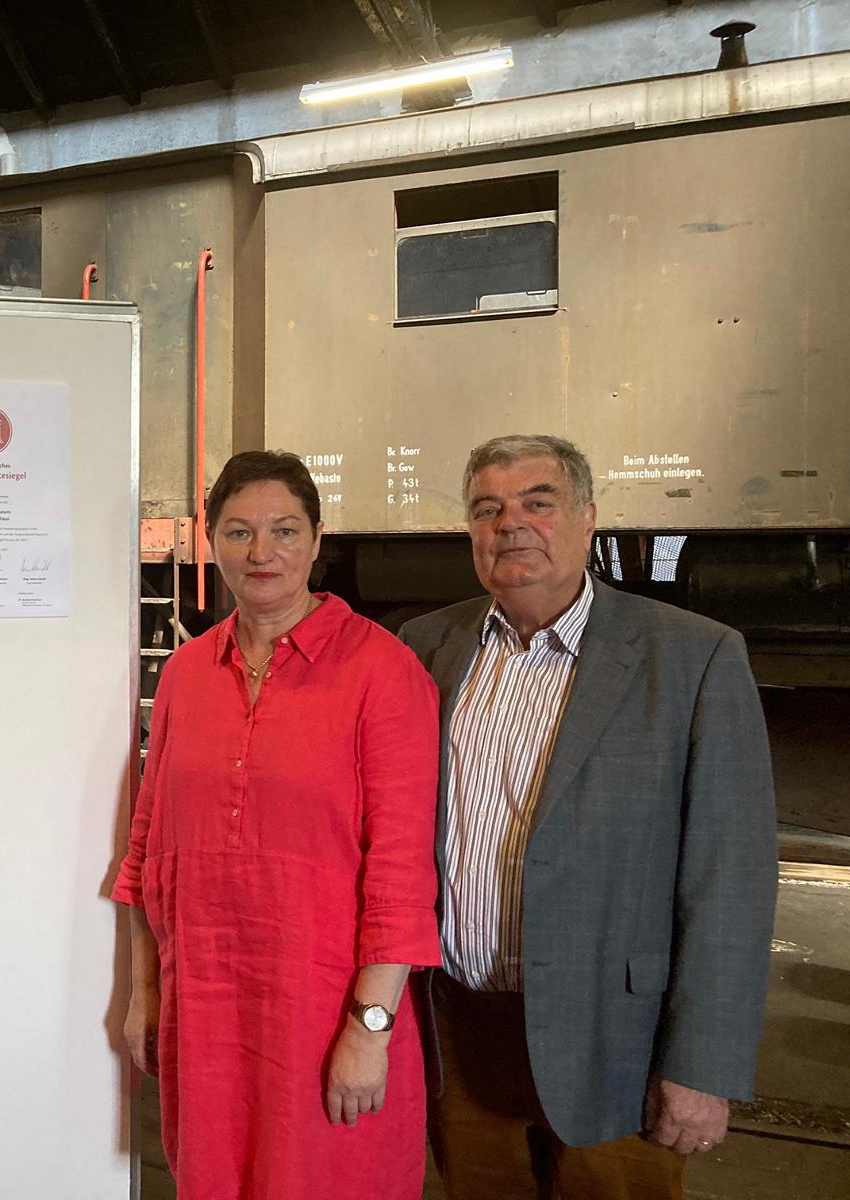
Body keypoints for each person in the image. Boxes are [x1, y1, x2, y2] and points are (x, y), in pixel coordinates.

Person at [398, 435, 777, 1200]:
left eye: (537, 503)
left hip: (616, 1042)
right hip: (459, 1036)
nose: (511, 524)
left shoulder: (694, 657)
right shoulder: (425, 648)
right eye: (487, 509)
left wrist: (701, 1065)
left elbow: (730, 879)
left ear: (588, 517)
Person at [114, 450, 441, 1199]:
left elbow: (400, 873)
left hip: (325, 1015)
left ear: (317, 540)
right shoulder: (187, 675)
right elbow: (147, 848)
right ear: (211, 541)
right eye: (239, 532)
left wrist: (370, 1029)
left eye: (284, 530)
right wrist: (144, 992)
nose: (261, 552)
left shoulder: (383, 673)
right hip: (207, 1013)